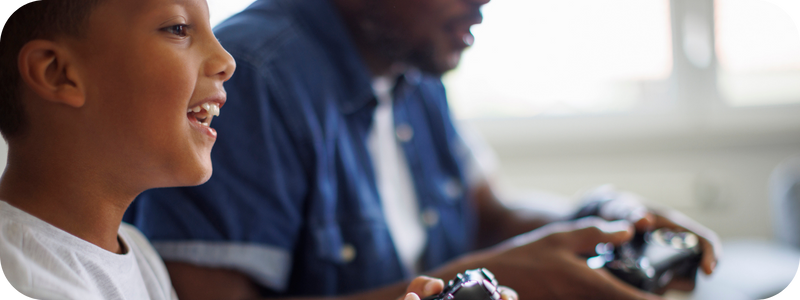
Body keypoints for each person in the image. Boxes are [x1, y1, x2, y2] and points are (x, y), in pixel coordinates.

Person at [125, 0, 722, 299]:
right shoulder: (253, 78)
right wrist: (480, 277)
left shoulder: (412, 64)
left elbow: (491, 215)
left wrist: (606, 218)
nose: (484, 2)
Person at [0, 1, 452, 300]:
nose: (227, 60)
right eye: (178, 29)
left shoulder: (136, 252)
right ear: (58, 73)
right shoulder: (27, 282)